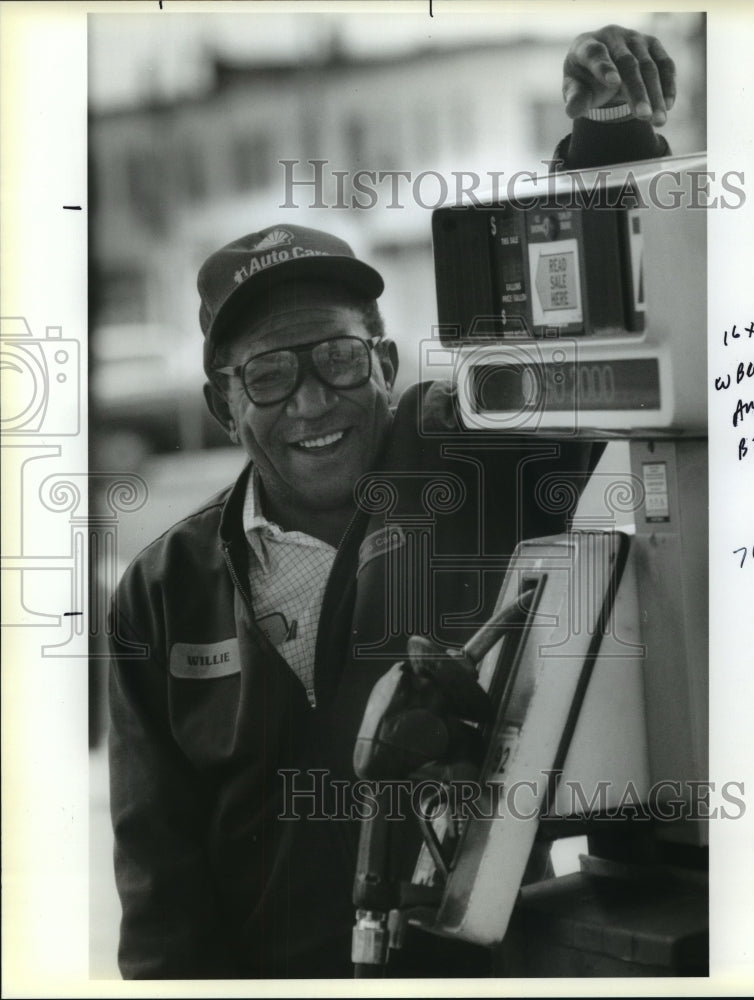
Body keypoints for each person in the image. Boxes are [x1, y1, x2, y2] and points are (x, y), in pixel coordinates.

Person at [109, 24, 677, 979]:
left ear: (381, 360)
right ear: (221, 405)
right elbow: (160, 889)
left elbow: (591, 348)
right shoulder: (162, 589)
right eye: (271, 375)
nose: (314, 400)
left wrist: (607, 149)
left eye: (336, 359)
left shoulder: (469, 451)